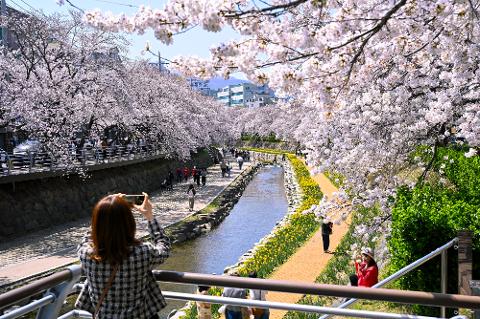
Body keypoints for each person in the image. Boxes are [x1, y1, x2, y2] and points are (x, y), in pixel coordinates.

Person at [75, 193, 170, 319]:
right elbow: (164, 248)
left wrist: (105, 211)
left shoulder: (87, 254)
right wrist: (149, 216)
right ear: (129, 223)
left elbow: (88, 237)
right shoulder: (142, 252)